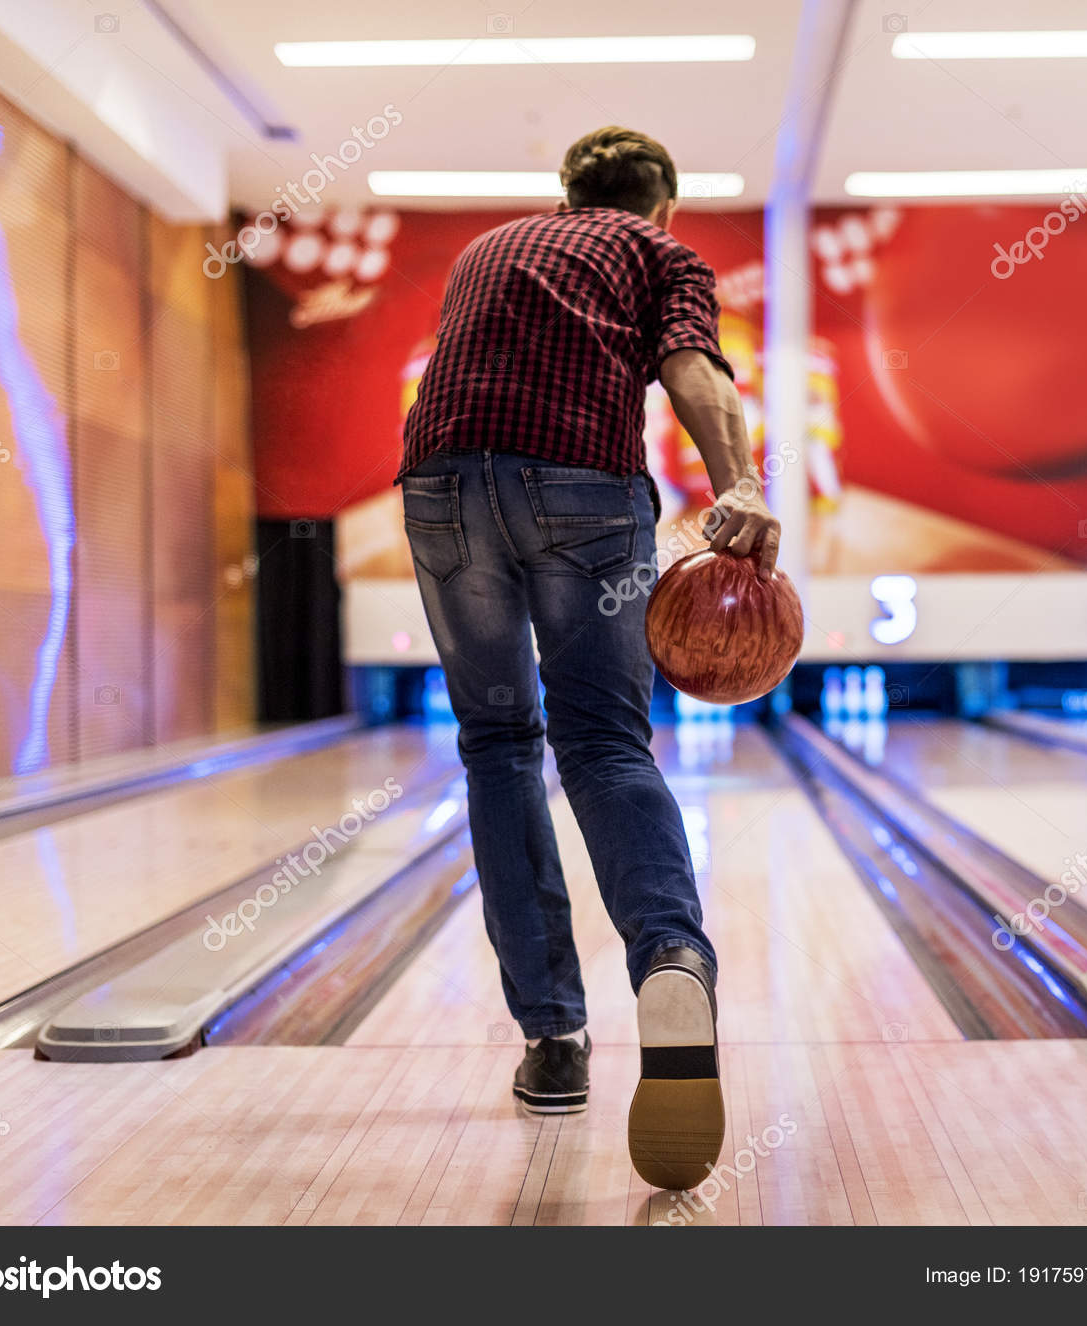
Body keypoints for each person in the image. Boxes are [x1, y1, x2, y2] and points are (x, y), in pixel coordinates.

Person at [398, 126, 779, 1190]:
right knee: (604, 742)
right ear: (662, 206)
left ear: (562, 193)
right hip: (578, 487)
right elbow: (690, 368)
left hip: (438, 491)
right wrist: (737, 484)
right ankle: (668, 957)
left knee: (496, 746)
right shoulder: (660, 253)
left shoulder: (487, 248)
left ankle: (553, 1039)